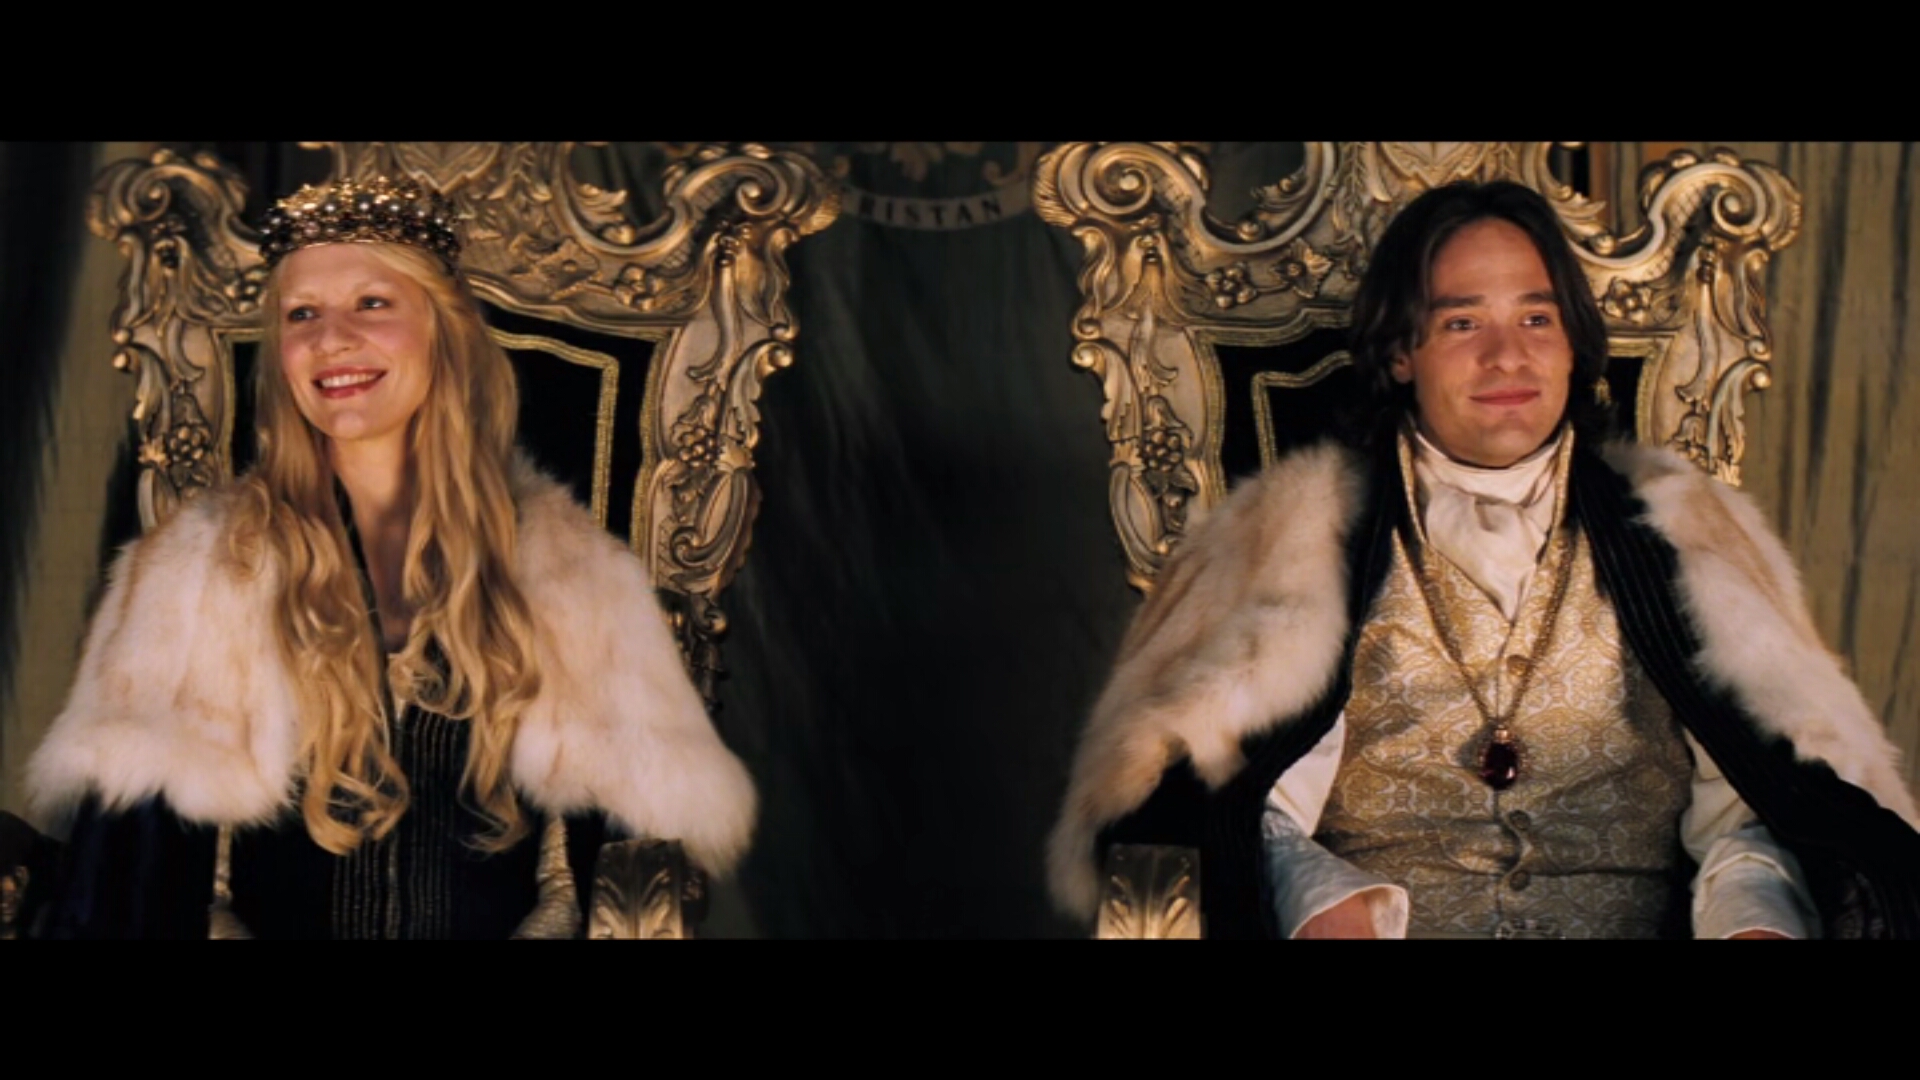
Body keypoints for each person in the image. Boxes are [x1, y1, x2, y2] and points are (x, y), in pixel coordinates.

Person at [1048, 180, 1920, 939]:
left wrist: (1756, 922)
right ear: (1402, 351)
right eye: (1462, 322)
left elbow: (1759, 806)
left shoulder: (1690, 539)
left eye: (1537, 318)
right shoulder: (1289, 542)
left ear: (1574, 343)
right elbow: (1233, 802)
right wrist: (1320, 904)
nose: (1509, 357)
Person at [23, 176, 757, 938]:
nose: (330, 339)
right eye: (301, 314)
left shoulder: (570, 573)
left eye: (371, 303)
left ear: (444, 331)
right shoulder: (201, 570)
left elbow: (615, 856)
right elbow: (126, 882)